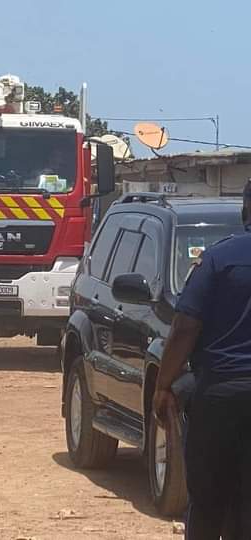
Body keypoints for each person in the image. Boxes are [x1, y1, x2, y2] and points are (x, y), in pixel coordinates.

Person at [153, 182, 251, 539]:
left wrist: (163, 385)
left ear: (246, 209)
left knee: (209, 501)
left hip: (219, 396)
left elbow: (184, 328)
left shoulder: (219, 258)